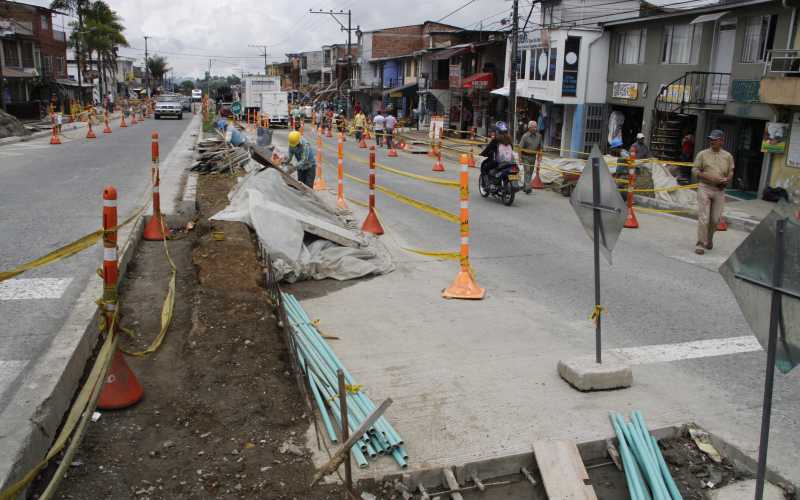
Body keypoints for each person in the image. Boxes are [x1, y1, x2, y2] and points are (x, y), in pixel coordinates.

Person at [693, 129, 733, 255]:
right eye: (710, 139)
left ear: (721, 141)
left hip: (719, 190)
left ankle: (709, 239)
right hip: (705, 187)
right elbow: (694, 170)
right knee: (704, 217)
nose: (711, 142)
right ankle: (700, 243)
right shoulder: (702, 154)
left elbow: (731, 171)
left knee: (715, 220)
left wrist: (727, 179)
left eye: (714, 140)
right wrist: (706, 176)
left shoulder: (728, 156)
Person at [519, 120, 542, 194]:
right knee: (527, 171)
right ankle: (528, 188)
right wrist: (520, 158)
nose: (535, 128)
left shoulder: (539, 136)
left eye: (536, 127)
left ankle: (525, 186)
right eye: (533, 127)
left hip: (533, 157)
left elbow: (540, 147)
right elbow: (520, 148)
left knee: (531, 172)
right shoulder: (525, 136)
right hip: (525, 156)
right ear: (529, 128)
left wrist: (540, 156)